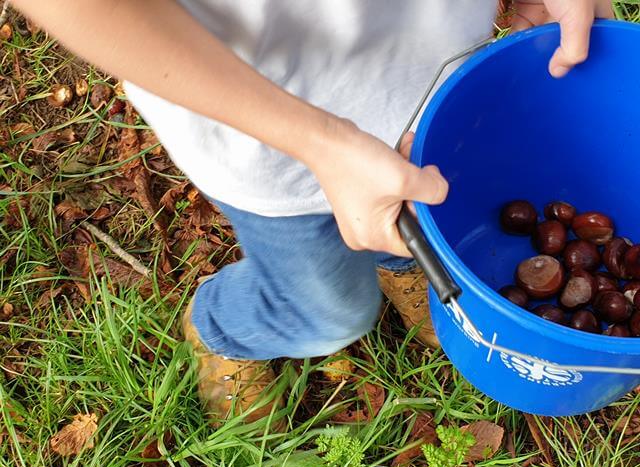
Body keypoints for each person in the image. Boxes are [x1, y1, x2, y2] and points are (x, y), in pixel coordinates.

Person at [13, 0, 614, 423]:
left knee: (421, 225)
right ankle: (223, 327)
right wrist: (320, 142)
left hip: (435, 86)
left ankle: (402, 265)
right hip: (268, 134)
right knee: (331, 313)